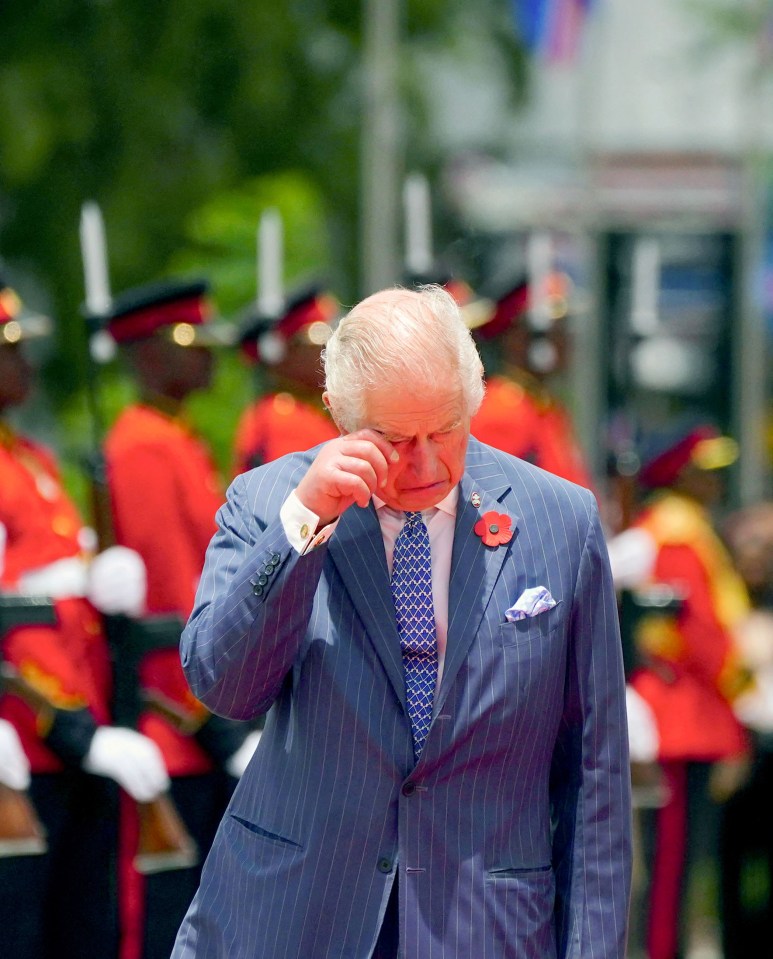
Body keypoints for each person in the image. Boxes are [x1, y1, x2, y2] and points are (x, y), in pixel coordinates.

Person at [172, 284, 632, 959]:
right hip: (295, 912)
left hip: (482, 919)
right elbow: (224, 685)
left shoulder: (559, 520)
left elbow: (593, 769)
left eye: (443, 429)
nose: (422, 463)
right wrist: (304, 526)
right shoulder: (271, 500)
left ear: (472, 396)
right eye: (390, 438)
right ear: (338, 414)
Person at [0, 277, 169, 959]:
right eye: (9, 351)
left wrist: (99, 576)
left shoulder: (31, 459)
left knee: (84, 928)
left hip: (75, 736)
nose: (26, 366)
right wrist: (65, 727)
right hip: (25, 742)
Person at [101, 278, 258, 959]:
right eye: (188, 343)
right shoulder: (142, 445)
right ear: (145, 355)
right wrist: (217, 724)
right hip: (181, 728)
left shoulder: (178, 438)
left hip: (208, 717)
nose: (208, 358)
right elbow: (175, 603)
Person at [606, 420, 751, 959]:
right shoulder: (673, 534)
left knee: (683, 866)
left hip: (691, 721)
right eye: (704, 472)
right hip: (680, 723)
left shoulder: (684, 528)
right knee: (671, 868)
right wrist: (745, 687)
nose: (716, 482)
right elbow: (704, 634)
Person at [468, 275, 595, 489]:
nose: (568, 338)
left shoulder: (540, 404)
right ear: (520, 339)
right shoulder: (503, 412)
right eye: (558, 328)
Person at [717, 501, 773, 958]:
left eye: (765, 548)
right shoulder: (722, 602)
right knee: (730, 857)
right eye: (748, 545)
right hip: (738, 746)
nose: (756, 557)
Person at [232, 284, 340, 475]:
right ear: (286, 353)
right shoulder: (285, 420)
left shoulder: (298, 412)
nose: (328, 351)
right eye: (317, 342)